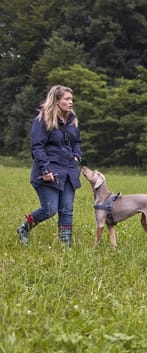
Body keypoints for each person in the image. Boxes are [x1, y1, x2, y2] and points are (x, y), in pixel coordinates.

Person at [16, 85, 83, 246]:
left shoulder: (72, 119)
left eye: (71, 99)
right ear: (56, 100)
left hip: (69, 171)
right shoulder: (42, 119)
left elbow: (77, 142)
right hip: (48, 171)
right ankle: (24, 228)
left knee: (67, 210)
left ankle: (65, 245)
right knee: (49, 210)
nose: (70, 102)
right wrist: (45, 169)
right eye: (66, 99)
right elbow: (37, 147)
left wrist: (77, 155)